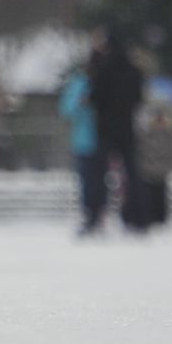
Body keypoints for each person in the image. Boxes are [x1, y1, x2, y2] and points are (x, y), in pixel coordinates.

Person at [89, 26, 146, 232]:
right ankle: (137, 217)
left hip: (105, 129)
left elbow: (95, 98)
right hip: (127, 128)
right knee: (132, 174)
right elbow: (139, 99)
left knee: (99, 175)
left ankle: (96, 216)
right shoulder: (135, 72)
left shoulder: (103, 70)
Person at [61, 51, 104, 236]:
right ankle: (88, 215)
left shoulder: (105, 83)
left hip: (103, 140)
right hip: (83, 142)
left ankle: (99, 216)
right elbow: (66, 110)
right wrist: (80, 104)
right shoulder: (78, 83)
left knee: (101, 181)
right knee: (86, 181)